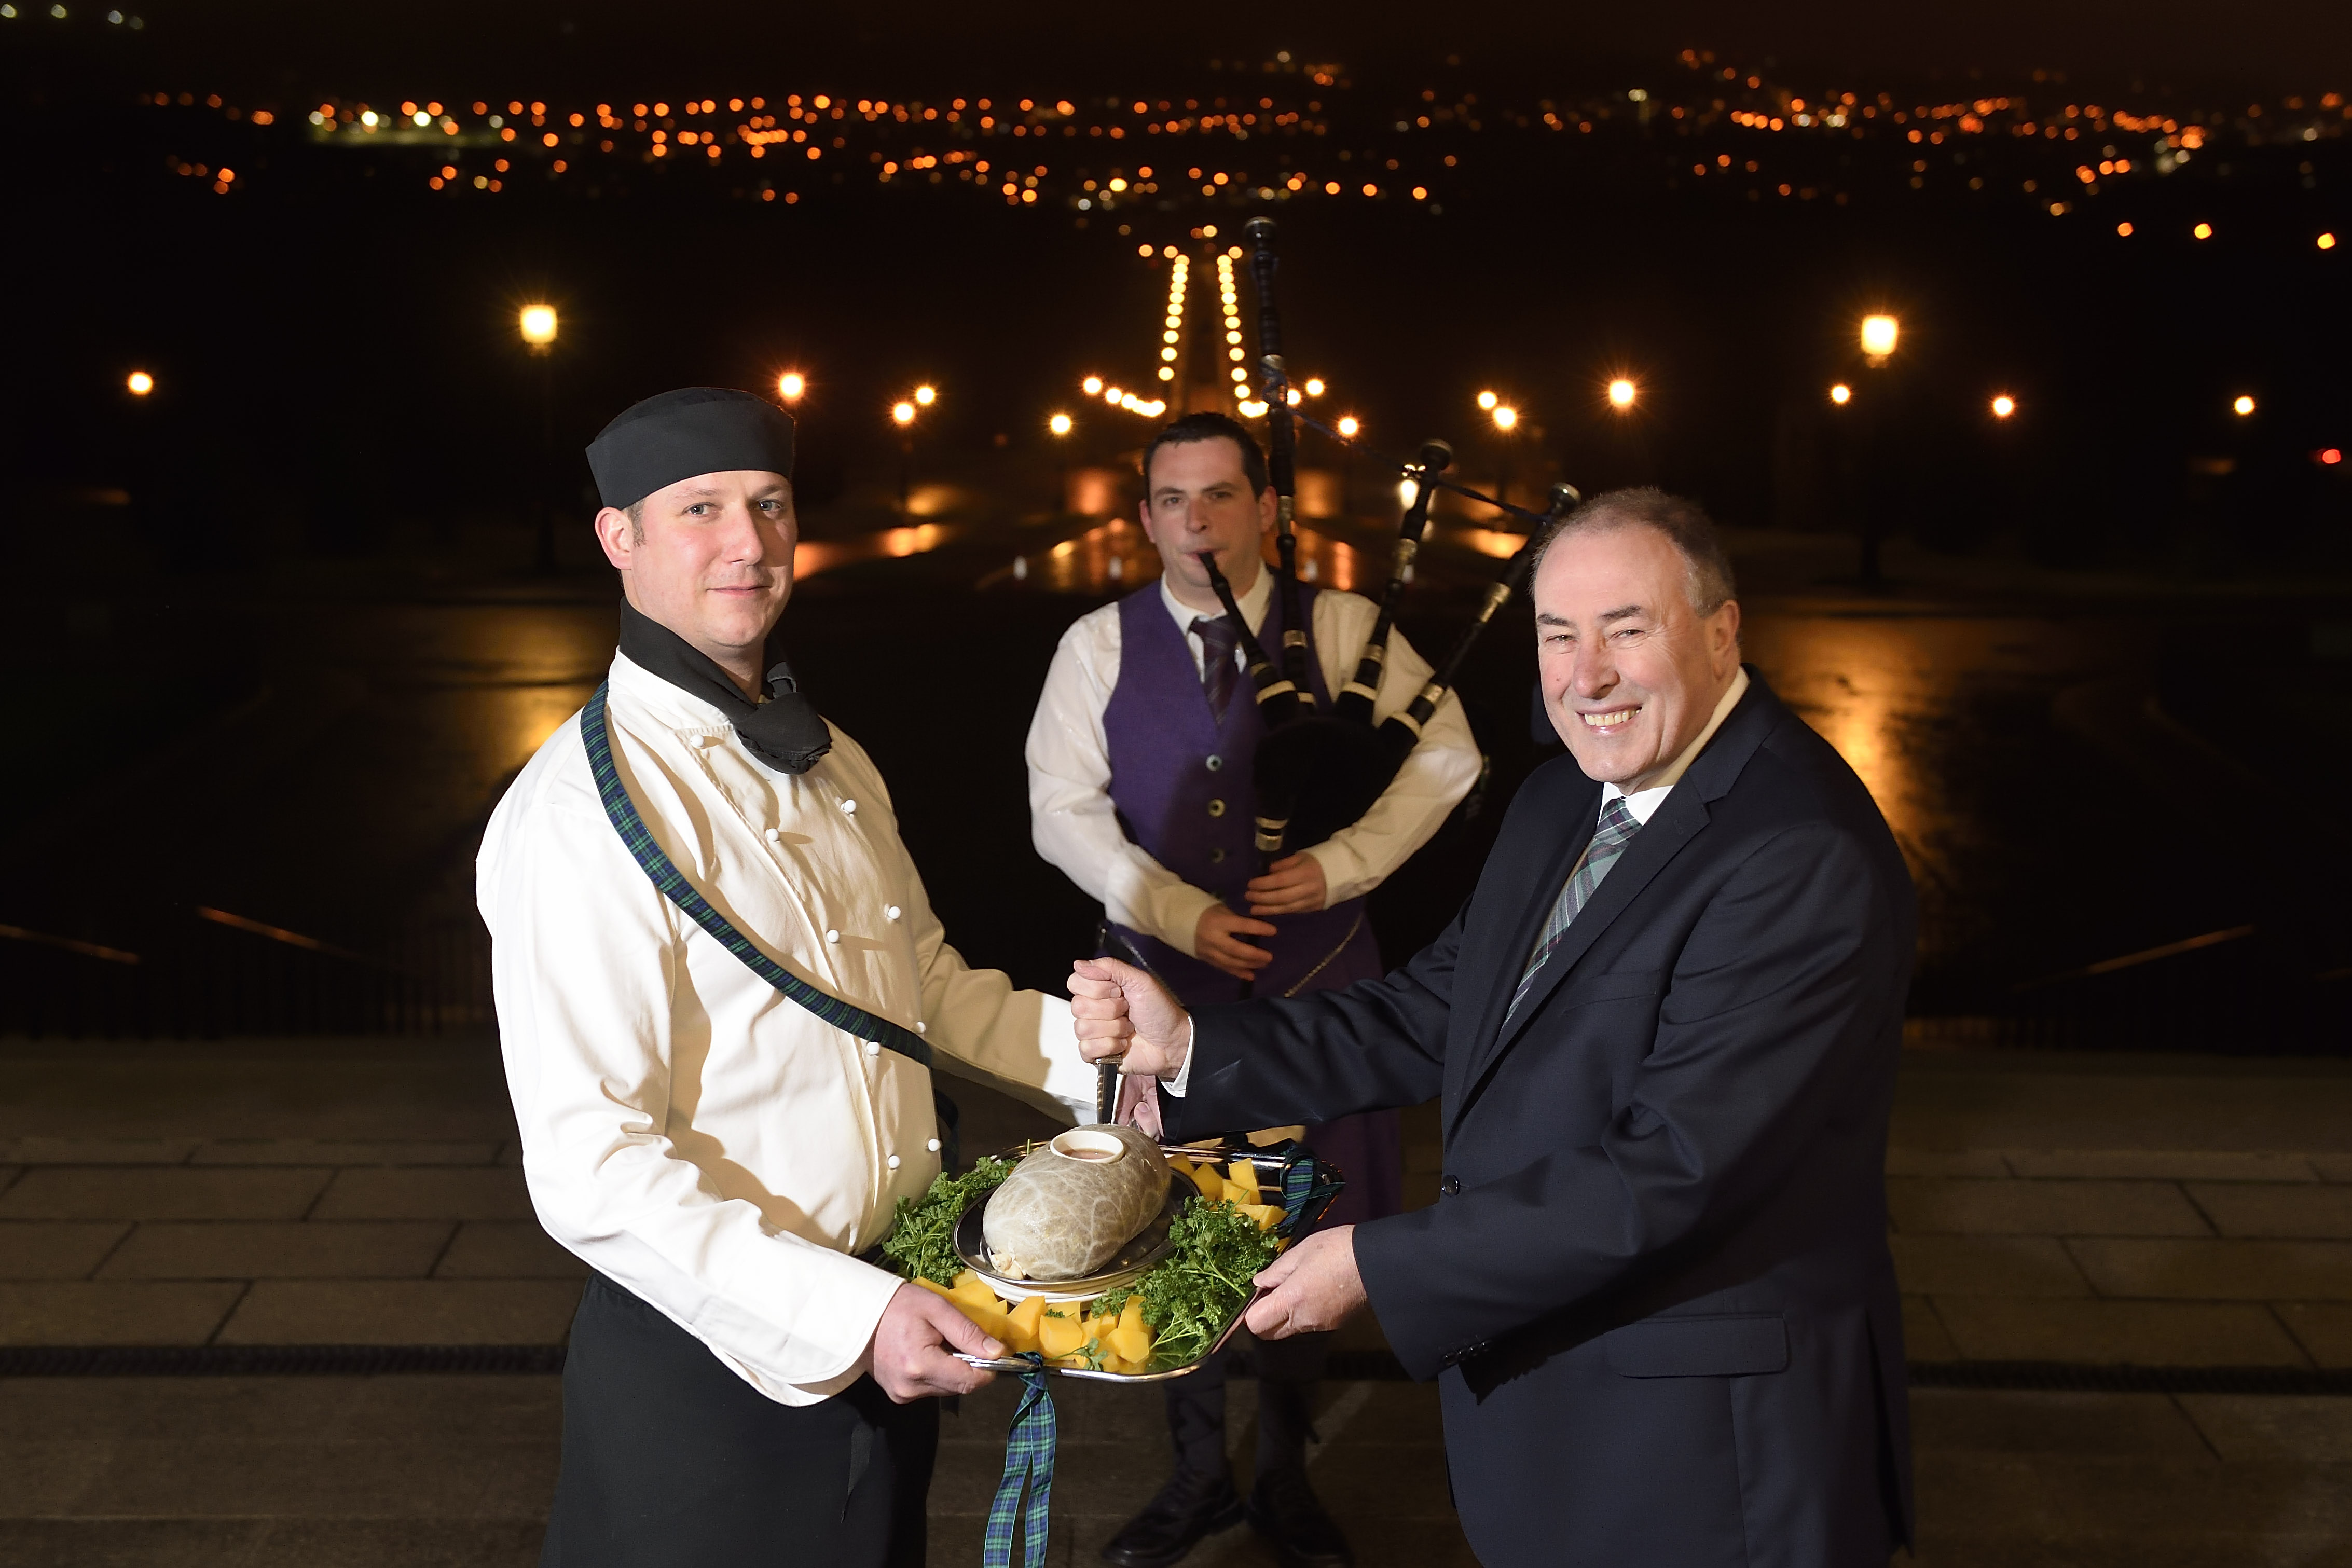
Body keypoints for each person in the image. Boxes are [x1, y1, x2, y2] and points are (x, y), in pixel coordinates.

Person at [1070, 488, 1918, 1568]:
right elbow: (1434, 1008)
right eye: (1556, 634)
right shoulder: (1562, 798)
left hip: (1709, 1458)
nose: (1584, 675)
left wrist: (1380, 1262)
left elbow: (1667, 1173)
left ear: (1719, 630)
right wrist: (1188, 1042)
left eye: (1625, 627)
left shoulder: (1798, 850)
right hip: (1564, 1409)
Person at [477, 387, 1098, 1568]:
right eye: (700, 508)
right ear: (620, 540)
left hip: (891, 1331)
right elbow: (589, 1167)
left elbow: (921, 987)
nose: (746, 542)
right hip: (713, 1379)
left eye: (767, 504)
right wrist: (850, 1314)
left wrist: (1114, 1062)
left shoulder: (831, 752)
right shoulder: (573, 813)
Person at [1026, 412, 1480, 1568]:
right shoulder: (1097, 644)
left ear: (1269, 508)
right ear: (1143, 516)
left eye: (1221, 495)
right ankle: (1194, 1474)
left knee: (1311, 1224)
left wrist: (1345, 864)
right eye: (1172, 499)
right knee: (1173, 1226)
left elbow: (1449, 757)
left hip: (1325, 987)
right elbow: (1059, 807)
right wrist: (1177, 910)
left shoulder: (1341, 625)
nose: (1196, 521)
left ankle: (1279, 1471)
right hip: (1159, 989)